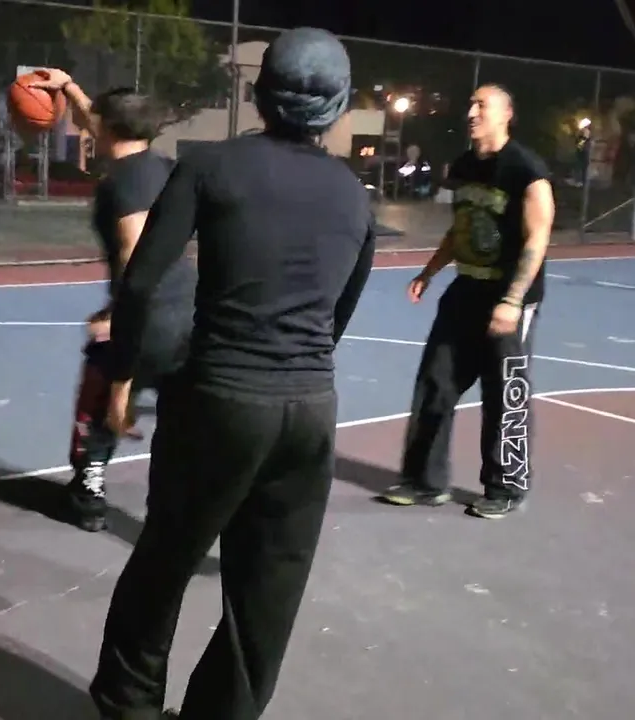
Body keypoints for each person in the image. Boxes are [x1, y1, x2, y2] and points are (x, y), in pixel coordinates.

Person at [89, 28, 376, 720]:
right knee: (267, 592)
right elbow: (339, 314)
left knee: (165, 561)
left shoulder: (210, 167)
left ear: (259, 93)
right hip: (309, 408)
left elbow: (140, 283)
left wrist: (122, 379)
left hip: (218, 399)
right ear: (339, 106)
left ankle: (129, 706)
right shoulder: (354, 196)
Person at [26, 72, 197, 533]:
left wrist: (117, 314)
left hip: (146, 315)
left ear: (107, 128)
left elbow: (134, 252)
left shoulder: (122, 183)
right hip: (187, 311)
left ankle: (88, 496)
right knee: (182, 414)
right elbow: (98, 119)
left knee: (100, 407)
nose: (87, 124)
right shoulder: (161, 167)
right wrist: (69, 87)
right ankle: (187, 503)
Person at [377, 84, 555, 520]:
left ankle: (505, 487)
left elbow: (538, 236)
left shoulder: (526, 169)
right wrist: (429, 272)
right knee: (436, 382)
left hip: (508, 296)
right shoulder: (462, 166)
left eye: (482, 105)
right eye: (471, 104)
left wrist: (512, 300)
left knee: (504, 393)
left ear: (506, 114)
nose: (472, 112)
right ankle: (425, 481)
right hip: (466, 289)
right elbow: (461, 228)